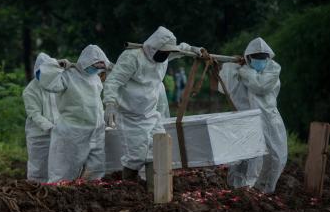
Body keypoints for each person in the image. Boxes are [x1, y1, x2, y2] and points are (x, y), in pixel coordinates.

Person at [103, 26, 203, 181]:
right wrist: (109, 103)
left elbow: (181, 50)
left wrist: (193, 49)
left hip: (150, 113)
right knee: (136, 156)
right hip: (130, 116)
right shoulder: (132, 57)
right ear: (154, 47)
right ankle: (128, 185)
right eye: (163, 52)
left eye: (168, 52)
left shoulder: (164, 55)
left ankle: (155, 187)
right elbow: (113, 81)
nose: (165, 55)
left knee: (160, 147)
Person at [219, 37, 288, 193]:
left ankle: (264, 188)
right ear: (248, 57)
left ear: (268, 57)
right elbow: (225, 84)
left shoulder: (273, 69)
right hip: (246, 118)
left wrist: (246, 70)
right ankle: (240, 188)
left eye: (263, 58)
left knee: (274, 153)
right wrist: (233, 66)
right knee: (244, 154)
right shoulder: (242, 70)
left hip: (268, 118)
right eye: (256, 58)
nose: (260, 61)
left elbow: (260, 86)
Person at [38, 45, 112, 182]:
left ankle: (87, 195)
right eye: (94, 65)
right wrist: (55, 65)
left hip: (94, 130)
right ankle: (57, 197)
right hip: (71, 131)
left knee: (94, 170)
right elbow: (47, 81)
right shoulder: (68, 75)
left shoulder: (95, 78)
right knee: (64, 170)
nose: (95, 69)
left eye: (98, 67)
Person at [23, 53, 60, 183]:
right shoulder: (31, 90)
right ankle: (35, 194)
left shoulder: (57, 86)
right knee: (39, 168)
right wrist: (50, 127)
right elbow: (34, 114)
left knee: (59, 167)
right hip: (39, 135)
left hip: (59, 133)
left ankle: (57, 193)